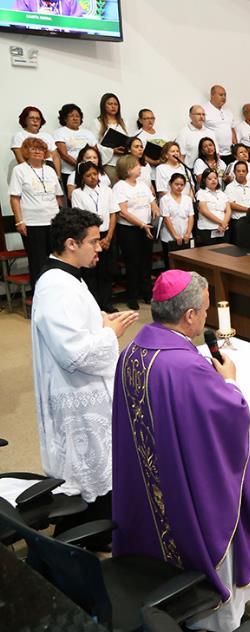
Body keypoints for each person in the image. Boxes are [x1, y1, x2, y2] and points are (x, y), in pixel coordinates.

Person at [112, 270, 250, 632]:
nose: (207, 316)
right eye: (204, 310)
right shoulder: (186, 366)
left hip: (152, 481)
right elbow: (231, 420)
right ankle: (215, 616)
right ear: (189, 316)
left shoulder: (131, 353)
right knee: (215, 510)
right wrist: (230, 380)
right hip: (187, 490)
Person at [30, 208, 137, 545]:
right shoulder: (55, 286)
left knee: (102, 461)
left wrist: (100, 321)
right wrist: (109, 333)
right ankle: (81, 537)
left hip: (84, 390)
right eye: (93, 241)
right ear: (71, 243)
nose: (100, 247)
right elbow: (74, 354)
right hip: (76, 394)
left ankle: (99, 530)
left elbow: (76, 326)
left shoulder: (69, 277)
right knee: (88, 466)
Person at [9, 137, 64, 287]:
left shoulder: (50, 170)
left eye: (40, 149)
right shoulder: (19, 170)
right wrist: (19, 221)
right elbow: (14, 198)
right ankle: (39, 295)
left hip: (53, 222)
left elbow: (58, 197)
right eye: (33, 149)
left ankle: (56, 291)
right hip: (32, 223)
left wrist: (61, 220)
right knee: (38, 263)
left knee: (56, 260)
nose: (37, 152)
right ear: (26, 151)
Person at [70, 162, 118, 311]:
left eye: (95, 174)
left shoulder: (107, 190)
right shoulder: (78, 193)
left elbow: (113, 213)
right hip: (89, 236)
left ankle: (107, 302)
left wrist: (108, 237)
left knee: (106, 270)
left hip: (106, 234)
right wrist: (93, 239)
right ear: (82, 177)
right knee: (90, 271)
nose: (92, 178)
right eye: (88, 175)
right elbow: (79, 217)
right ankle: (94, 305)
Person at [112, 155, 158, 309]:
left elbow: (152, 201)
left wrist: (155, 208)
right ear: (128, 169)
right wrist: (142, 225)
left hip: (146, 227)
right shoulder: (120, 187)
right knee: (132, 263)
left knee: (146, 261)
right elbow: (123, 212)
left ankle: (147, 293)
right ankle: (132, 296)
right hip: (129, 230)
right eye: (136, 165)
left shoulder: (142, 185)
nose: (140, 167)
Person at [54, 103, 98, 189]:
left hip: (89, 172)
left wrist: (89, 168)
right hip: (68, 172)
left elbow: (95, 152)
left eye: (78, 116)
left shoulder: (87, 133)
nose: (75, 118)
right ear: (65, 118)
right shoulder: (60, 132)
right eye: (71, 116)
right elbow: (63, 155)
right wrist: (80, 167)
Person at [159, 172, 194, 268]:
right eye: (176, 184)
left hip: (186, 236)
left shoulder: (187, 199)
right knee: (171, 265)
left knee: (187, 264)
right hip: (170, 237)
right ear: (170, 184)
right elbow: (166, 219)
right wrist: (175, 235)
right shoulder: (165, 199)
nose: (179, 187)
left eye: (182, 185)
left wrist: (188, 233)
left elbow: (191, 217)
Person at [225, 160, 250, 241]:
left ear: (247, 172)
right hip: (237, 222)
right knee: (237, 246)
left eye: (243, 171)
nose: (241, 173)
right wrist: (249, 210)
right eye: (238, 171)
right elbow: (231, 205)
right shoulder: (229, 187)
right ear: (234, 172)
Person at [203, 85, 236, 156]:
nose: (223, 97)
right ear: (212, 95)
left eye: (225, 95)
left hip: (230, 153)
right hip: (214, 154)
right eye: (221, 95)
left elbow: (232, 130)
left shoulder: (228, 112)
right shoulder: (204, 110)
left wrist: (236, 148)